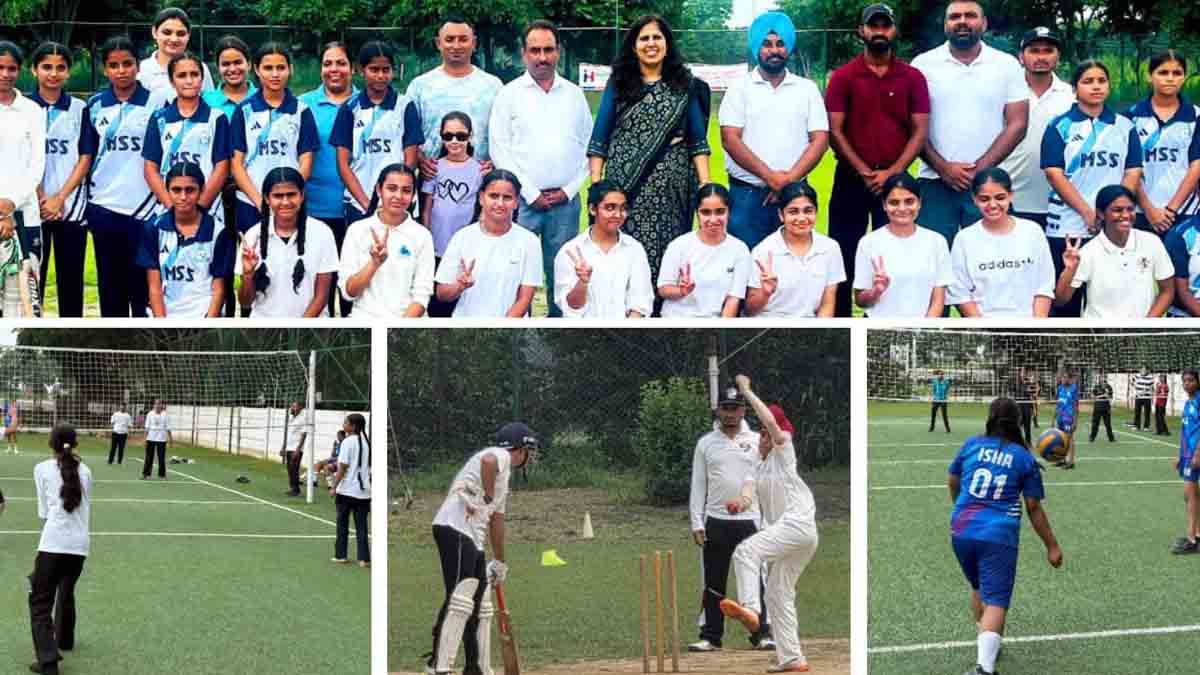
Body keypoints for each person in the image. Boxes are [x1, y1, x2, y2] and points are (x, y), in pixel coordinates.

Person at [588, 14, 711, 298]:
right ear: (634, 46)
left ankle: (663, 317)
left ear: (667, 45)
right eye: (644, 38)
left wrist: (705, 184)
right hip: (625, 190)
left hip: (672, 192)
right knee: (625, 256)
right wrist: (597, 185)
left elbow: (698, 141)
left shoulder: (684, 86)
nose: (651, 43)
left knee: (669, 253)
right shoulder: (619, 84)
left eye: (657, 37)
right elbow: (600, 138)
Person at [825, 3, 929, 316]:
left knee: (896, 252)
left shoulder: (912, 77)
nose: (879, 32)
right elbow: (835, 131)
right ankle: (841, 319)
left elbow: (919, 131)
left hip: (896, 183)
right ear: (862, 31)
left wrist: (892, 174)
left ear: (893, 31)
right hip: (851, 178)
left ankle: (891, 316)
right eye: (873, 26)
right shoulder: (844, 77)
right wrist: (865, 171)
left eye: (885, 26)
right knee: (843, 252)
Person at [949, 398, 1062, 675]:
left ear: (990, 418)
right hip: (998, 534)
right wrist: (1052, 546)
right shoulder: (1024, 458)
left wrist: (960, 509)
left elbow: (953, 479)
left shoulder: (972, 444)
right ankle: (984, 668)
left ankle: (987, 643)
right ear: (1019, 423)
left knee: (979, 588)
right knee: (997, 599)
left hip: (961, 529)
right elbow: (1033, 507)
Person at [489, 20, 593, 318]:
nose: (542, 57)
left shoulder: (574, 95)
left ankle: (559, 336)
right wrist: (530, 192)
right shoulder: (509, 94)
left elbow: (590, 149)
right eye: (535, 50)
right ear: (524, 53)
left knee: (561, 274)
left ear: (558, 52)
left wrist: (568, 190)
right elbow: (499, 148)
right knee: (515, 273)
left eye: (548, 49)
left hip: (565, 204)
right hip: (521, 202)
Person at [719, 375, 818, 673]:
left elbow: (774, 425)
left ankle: (750, 609)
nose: (762, 438)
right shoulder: (758, 465)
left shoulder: (785, 449)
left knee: (745, 552)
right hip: (790, 535)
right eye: (761, 433)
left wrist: (747, 390)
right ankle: (792, 658)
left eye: (766, 432)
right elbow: (749, 492)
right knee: (778, 593)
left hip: (797, 525)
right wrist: (740, 503)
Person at [911, 1, 1028, 248]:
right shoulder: (922, 65)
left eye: (970, 16)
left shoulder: (1006, 64)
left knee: (994, 257)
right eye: (954, 17)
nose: (962, 21)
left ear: (983, 23)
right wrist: (943, 168)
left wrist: (980, 170)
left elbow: (1018, 123)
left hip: (989, 184)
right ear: (945, 25)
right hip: (934, 182)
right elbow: (912, 126)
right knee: (935, 262)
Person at [426, 422, 539, 675]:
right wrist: (487, 494)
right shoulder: (500, 456)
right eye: (529, 452)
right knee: (460, 598)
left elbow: (497, 520)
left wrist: (499, 561)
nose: (530, 458)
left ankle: (474, 666)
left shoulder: (505, 476)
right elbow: (488, 461)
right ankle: (437, 666)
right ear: (519, 449)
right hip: (453, 527)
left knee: (478, 602)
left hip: (471, 537)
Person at [1042, 60, 1144, 317]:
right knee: (1066, 297)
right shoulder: (1059, 126)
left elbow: (1132, 171)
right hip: (1068, 224)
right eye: (1088, 81)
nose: (1096, 86)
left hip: (1111, 226)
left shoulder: (1125, 126)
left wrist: (1113, 213)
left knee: (1107, 295)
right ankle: (1066, 355)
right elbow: (1054, 173)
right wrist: (1089, 213)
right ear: (1075, 88)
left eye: (1101, 80)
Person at [721, 10, 829, 252]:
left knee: (793, 268)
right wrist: (771, 178)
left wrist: (787, 183)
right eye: (767, 44)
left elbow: (820, 140)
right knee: (747, 271)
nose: (774, 50)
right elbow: (730, 139)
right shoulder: (739, 89)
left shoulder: (807, 89)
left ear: (788, 48)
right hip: (746, 196)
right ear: (756, 48)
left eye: (780, 44)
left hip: (794, 196)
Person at [81, 36, 168, 318]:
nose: (121, 71)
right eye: (113, 65)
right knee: (110, 288)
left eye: (127, 63)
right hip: (104, 207)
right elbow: (87, 156)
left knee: (143, 289)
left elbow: (164, 154)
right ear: (105, 69)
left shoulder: (158, 103)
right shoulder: (94, 105)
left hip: (145, 208)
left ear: (137, 66)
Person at [689, 384, 773, 653]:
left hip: (750, 520)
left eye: (734, 409)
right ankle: (711, 636)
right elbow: (698, 485)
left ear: (743, 410)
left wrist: (767, 519)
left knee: (755, 577)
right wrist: (696, 522)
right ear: (718, 410)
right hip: (716, 519)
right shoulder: (706, 443)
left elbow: (766, 478)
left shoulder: (756, 439)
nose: (729, 414)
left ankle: (761, 633)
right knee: (714, 579)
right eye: (725, 408)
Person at [230, 43, 319, 239]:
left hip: (290, 205)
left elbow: (306, 160)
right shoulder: (244, 110)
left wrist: (287, 195)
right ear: (257, 70)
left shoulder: (301, 111)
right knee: (251, 263)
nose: (275, 74)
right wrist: (260, 201)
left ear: (290, 69)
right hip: (250, 203)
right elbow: (236, 164)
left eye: (281, 67)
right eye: (268, 68)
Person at [333, 42, 421, 229]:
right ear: (360, 70)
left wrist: (395, 195)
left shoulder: (404, 106)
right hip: (359, 203)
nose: (380, 76)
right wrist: (367, 204)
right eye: (374, 69)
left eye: (386, 69)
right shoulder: (349, 109)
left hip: (398, 203)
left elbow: (410, 159)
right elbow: (343, 164)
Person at [30, 42, 90, 317]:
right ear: (34, 70)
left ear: (68, 72)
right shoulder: (25, 108)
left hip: (71, 209)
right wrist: (42, 197)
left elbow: (85, 158)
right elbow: (24, 159)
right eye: (46, 67)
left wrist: (60, 198)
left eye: (60, 67)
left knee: (71, 283)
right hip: (33, 208)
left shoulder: (80, 108)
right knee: (32, 284)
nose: (53, 74)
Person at [948, 168, 1055, 317]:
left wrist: (1036, 328)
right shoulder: (964, 239)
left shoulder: (1032, 231)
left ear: (1011, 195)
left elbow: (1044, 285)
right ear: (974, 199)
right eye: (984, 199)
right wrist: (983, 332)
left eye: (1000, 197)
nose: (992, 205)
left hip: (1028, 326)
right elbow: (959, 291)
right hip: (984, 329)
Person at [434, 170, 542, 317]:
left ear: (516, 202)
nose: (500, 203)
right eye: (493, 196)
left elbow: (524, 299)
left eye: (507, 198)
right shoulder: (462, 237)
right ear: (481, 198)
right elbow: (442, 293)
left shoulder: (529, 242)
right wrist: (459, 286)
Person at [1053, 185, 1173, 318]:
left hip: (1141, 334)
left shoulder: (1152, 242)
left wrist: (1146, 325)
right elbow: (1060, 300)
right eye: (1117, 210)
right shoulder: (1088, 251)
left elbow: (1167, 291)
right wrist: (1070, 270)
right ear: (1100, 213)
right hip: (1100, 335)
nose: (1126, 215)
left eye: (1130, 209)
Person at [29, 424, 92, 675]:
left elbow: (45, 512)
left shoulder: (42, 469)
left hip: (53, 543)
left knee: (40, 601)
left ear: (51, 444)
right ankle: (65, 640)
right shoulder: (86, 470)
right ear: (75, 444)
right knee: (67, 589)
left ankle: (48, 662)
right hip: (80, 545)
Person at [300, 42, 357, 317]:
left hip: (356, 211)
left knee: (350, 289)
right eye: (328, 63)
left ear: (353, 68)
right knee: (319, 288)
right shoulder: (304, 106)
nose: (334, 69)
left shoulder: (364, 103)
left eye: (341, 63)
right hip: (315, 210)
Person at [142, 51, 231, 228]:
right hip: (167, 210)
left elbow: (221, 167)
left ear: (202, 78)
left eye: (194, 75)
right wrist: (171, 207)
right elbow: (150, 168)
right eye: (182, 75)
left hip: (209, 210)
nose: (189, 81)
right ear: (172, 81)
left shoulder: (217, 118)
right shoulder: (159, 119)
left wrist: (200, 207)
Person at [136, 162, 236, 317]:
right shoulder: (154, 228)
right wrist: (163, 327)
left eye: (190, 190)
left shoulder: (219, 232)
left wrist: (206, 326)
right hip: (166, 312)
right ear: (167, 191)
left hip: (203, 313)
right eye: (176, 190)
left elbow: (218, 290)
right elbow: (154, 287)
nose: (183, 197)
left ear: (201, 191)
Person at [998, 27, 1074, 227]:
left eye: (1048, 51)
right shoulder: (1004, 93)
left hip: (1060, 201)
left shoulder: (1071, 96)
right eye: (1034, 50)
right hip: (1009, 197)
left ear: (1058, 56)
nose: (1041, 57)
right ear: (1021, 57)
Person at [238, 168, 338, 317]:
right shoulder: (253, 236)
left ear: (302, 196)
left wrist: (298, 331)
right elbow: (245, 302)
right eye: (278, 196)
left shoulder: (322, 233)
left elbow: (321, 297)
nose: (285, 202)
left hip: (310, 328)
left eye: (291, 195)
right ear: (266, 199)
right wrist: (247, 274)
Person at [339, 163, 435, 318]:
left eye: (406, 191)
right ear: (379, 190)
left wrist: (395, 330)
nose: (398, 196)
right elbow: (348, 293)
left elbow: (421, 297)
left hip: (406, 325)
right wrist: (374, 263)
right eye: (391, 188)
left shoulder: (422, 235)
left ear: (413, 196)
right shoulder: (357, 230)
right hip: (365, 320)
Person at [408, 17, 503, 171]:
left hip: (480, 180)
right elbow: (408, 134)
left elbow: (503, 134)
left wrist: (494, 163)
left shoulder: (493, 86)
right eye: (450, 39)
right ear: (439, 43)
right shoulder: (419, 86)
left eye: (463, 39)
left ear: (474, 43)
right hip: (432, 181)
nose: (456, 46)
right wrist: (420, 159)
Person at [852, 173, 951, 317]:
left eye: (909, 201)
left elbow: (938, 300)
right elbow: (861, 301)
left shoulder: (936, 242)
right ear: (884, 205)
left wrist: (921, 332)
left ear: (920, 203)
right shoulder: (869, 243)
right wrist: (876, 291)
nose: (902, 208)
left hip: (921, 331)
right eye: (894, 202)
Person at [1124, 51, 1200, 236]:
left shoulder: (1196, 116)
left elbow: (1196, 166)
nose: (1170, 79)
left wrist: (1172, 209)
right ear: (1150, 76)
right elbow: (1129, 170)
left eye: (1177, 73)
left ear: (1184, 77)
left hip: (1184, 211)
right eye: (1163, 72)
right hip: (1140, 212)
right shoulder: (1130, 118)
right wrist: (1149, 209)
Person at [553, 180, 653, 318]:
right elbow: (572, 308)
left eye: (623, 208)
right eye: (610, 208)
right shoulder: (571, 251)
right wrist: (582, 282)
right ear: (592, 209)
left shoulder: (634, 249)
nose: (618, 215)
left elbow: (640, 302)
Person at [746, 181, 844, 318]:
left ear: (816, 212)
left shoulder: (830, 248)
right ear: (781, 215)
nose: (801, 218)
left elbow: (827, 304)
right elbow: (750, 311)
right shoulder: (763, 251)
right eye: (793, 212)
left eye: (808, 211)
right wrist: (765, 293)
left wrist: (821, 337)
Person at [0, 41, 46, 318]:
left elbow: (36, 165)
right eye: (0, 68)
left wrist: (10, 204)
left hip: (25, 216)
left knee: (24, 306)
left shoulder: (31, 110)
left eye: (12, 68)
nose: (5, 74)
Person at [422, 112, 483, 317]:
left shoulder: (479, 170)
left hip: (463, 249)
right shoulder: (434, 167)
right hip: (436, 247)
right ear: (441, 137)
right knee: (436, 302)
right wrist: (427, 239)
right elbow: (427, 207)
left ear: (470, 136)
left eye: (461, 136)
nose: (454, 141)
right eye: (448, 136)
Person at [659, 184, 750, 318]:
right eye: (706, 212)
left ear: (729, 212)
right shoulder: (679, 245)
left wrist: (720, 333)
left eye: (720, 211)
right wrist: (681, 291)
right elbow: (663, 289)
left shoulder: (740, 249)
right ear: (697, 213)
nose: (713, 219)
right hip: (676, 321)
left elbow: (733, 300)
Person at [137, 7, 214, 98]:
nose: (174, 39)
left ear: (188, 35)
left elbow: (210, 103)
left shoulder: (201, 68)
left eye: (180, 34)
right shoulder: (141, 71)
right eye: (167, 32)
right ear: (154, 32)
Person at [331, 413, 371, 567]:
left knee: (342, 524)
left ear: (353, 426)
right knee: (361, 526)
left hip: (347, 490)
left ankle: (341, 555)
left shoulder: (347, 442)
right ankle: (364, 558)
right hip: (364, 492)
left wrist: (334, 486)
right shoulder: (366, 443)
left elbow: (342, 468)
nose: (343, 424)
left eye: (346, 422)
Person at [1173, 369, 1200, 554]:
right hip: (1188, 454)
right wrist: (1180, 456)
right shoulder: (1188, 403)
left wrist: (1198, 452)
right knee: (1192, 494)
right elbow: (1184, 432)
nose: (1187, 384)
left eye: (1191, 380)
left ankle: (1191, 539)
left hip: (1197, 454)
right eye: (1184, 381)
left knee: (1189, 493)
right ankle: (1196, 533)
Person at [1054, 369, 1080, 470]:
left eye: (1065, 377)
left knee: (1069, 439)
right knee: (1061, 439)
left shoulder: (1073, 389)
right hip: (1060, 416)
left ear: (1070, 379)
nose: (1063, 379)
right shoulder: (1060, 388)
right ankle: (1062, 459)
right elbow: (1059, 403)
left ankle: (1071, 462)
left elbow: (1076, 405)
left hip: (1068, 417)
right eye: (1062, 377)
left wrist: (1075, 420)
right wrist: (1054, 417)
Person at [282, 401, 307, 497]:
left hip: (296, 448)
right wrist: (283, 446)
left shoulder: (303, 418)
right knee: (289, 469)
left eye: (294, 406)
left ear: (300, 407)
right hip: (289, 447)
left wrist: (298, 449)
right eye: (291, 406)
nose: (292, 408)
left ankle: (296, 490)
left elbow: (304, 434)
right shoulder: (292, 418)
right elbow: (289, 435)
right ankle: (293, 488)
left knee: (294, 469)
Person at [141, 399, 171, 480]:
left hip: (162, 440)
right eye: (156, 404)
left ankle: (162, 475)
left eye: (159, 404)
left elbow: (168, 428)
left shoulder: (166, 415)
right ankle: (146, 474)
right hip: (150, 439)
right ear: (154, 405)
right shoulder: (150, 414)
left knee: (161, 458)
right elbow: (146, 428)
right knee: (149, 457)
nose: (158, 405)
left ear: (162, 405)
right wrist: (144, 439)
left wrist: (170, 440)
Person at [1089, 374, 1115, 444]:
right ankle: (1092, 437)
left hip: (1106, 406)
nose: (1103, 379)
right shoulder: (1096, 387)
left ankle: (1111, 438)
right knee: (1095, 423)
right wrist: (1102, 395)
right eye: (1102, 378)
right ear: (1099, 379)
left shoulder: (1109, 387)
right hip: (1098, 406)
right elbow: (1093, 397)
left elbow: (1111, 397)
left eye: (1104, 378)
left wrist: (1108, 397)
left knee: (1108, 423)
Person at [1134, 366, 1155, 432]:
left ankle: (1146, 427)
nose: (1143, 371)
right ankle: (1137, 426)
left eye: (1145, 370)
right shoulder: (1136, 376)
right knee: (1137, 412)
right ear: (1140, 370)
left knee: (1147, 413)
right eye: (1142, 370)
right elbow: (1132, 383)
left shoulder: (1150, 377)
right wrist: (1137, 390)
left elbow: (1152, 387)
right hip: (1138, 397)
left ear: (1147, 370)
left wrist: (1149, 393)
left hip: (1147, 397)